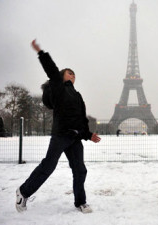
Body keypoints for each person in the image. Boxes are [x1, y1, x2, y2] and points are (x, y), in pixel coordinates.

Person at [16, 40, 101, 214]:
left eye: (75, 75)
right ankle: (23, 192)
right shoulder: (59, 88)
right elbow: (51, 69)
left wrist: (88, 134)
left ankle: (81, 202)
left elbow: (80, 119)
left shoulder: (77, 95)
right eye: (70, 73)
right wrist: (41, 52)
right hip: (61, 135)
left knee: (80, 170)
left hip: (75, 137)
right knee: (48, 166)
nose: (73, 76)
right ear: (62, 76)